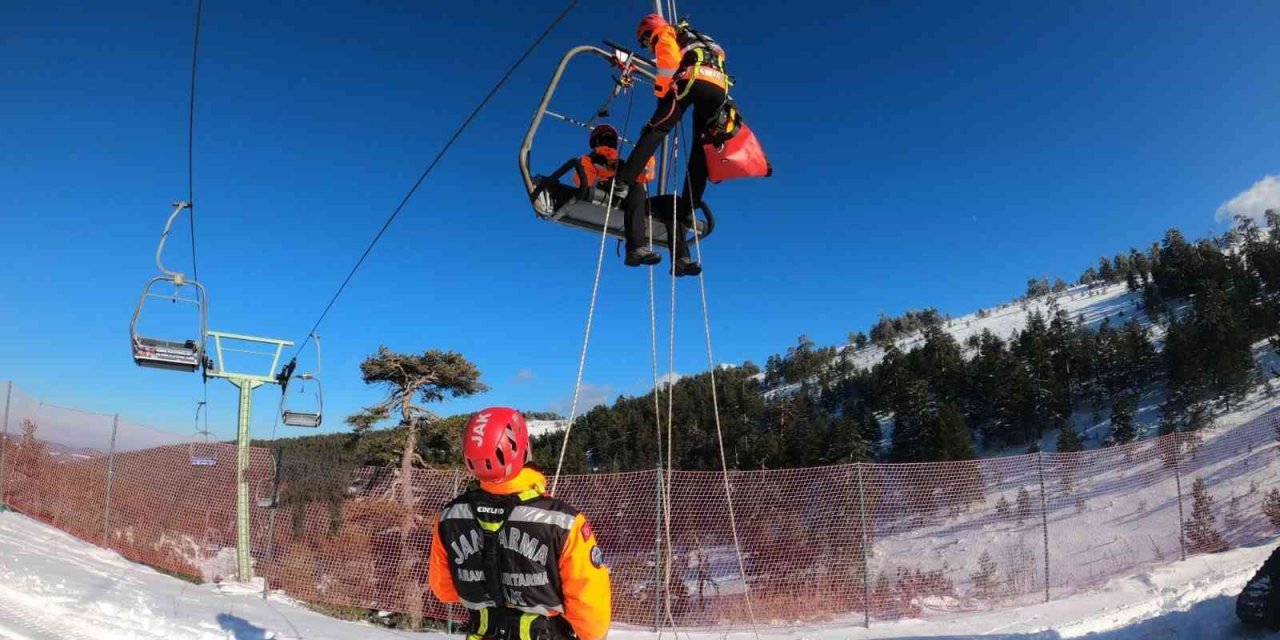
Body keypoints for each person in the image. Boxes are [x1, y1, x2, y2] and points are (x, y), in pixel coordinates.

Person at [428, 407, 611, 640]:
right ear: (524, 448)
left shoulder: (449, 518)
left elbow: (444, 589)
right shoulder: (563, 522)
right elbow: (590, 608)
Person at [616, 13, 732, 276]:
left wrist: (663, 92)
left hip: (692, 81)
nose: (646, 46)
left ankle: (624, 179)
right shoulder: (702, 40)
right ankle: (690, 205)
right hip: (719, 89)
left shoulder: (664, 33)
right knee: (700, 150)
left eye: (645, 42)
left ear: (649, 31)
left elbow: (668, 60)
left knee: (657, 128)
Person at [530, 124, 659, 267]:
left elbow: (646, 174)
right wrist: (608, 183)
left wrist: (649, 147)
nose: (608, 141)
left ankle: (677, 256)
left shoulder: (623, 165)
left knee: (643, 189)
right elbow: (586, 181)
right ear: (597, 141)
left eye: (611, 139)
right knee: (637, 187)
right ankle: (635, 248)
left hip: (629, 196)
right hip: (604, 190)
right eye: (605, 138)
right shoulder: (589, 160)